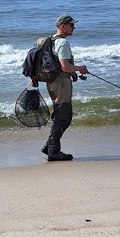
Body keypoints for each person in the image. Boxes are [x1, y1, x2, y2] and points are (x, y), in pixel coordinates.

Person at [42, 14, 88, 161]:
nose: (74, 27)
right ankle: (53, 151)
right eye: (71, 25)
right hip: (60, 84)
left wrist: (72, 73)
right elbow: (65, 66)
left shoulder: (52, 41)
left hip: (54, 83)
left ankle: (50, 146)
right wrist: (80, 68)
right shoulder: (63, 43)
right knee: (62, 118)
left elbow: (60, 65)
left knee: (64, 116)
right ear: (63, 26)